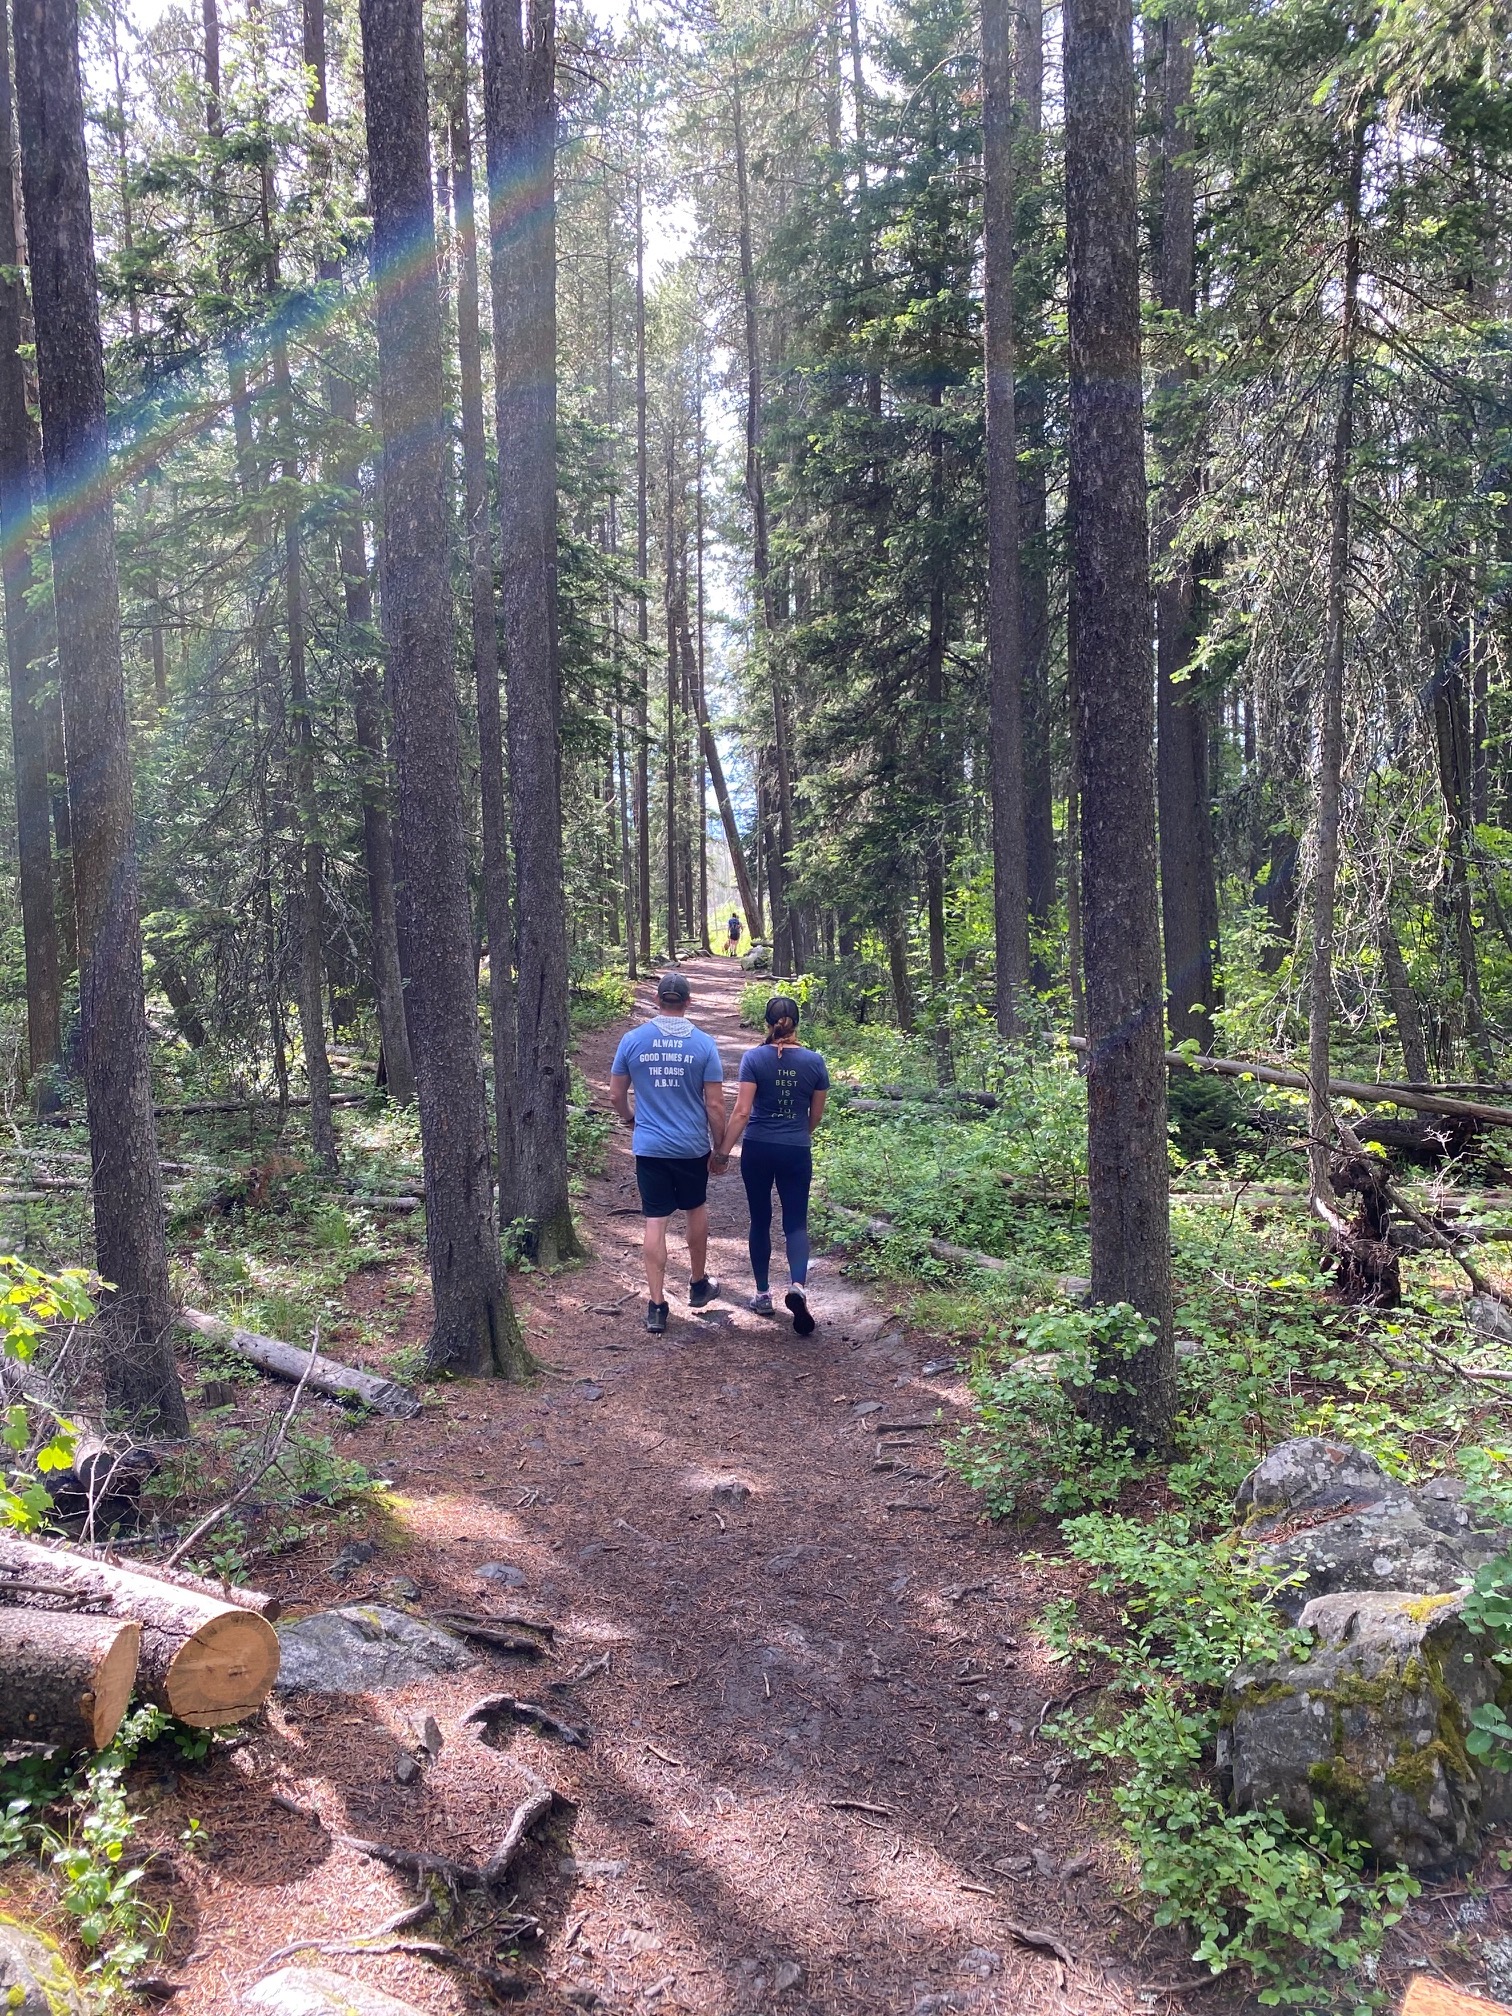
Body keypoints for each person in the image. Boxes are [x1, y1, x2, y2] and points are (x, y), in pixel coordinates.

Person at [609, 972, 727, 1333]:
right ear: (688, 1002)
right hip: (691, 1146)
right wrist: (720, 1148)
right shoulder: (703, 1044)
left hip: (650, 1146)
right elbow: (716, 1105)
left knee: (655, 1219)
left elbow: (616, 1095)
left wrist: (631, 1121)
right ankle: (697, 1284)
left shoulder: (633, 1040)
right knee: (695, 1208)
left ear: (657, 1001)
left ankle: (657, 1306)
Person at [718, 994, 828, 1335]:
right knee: (795, 1223)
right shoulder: (815, 1061)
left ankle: (763, 1294)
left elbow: (741, 1111)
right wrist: (796, 1133)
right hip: (796, 1148)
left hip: (758, 1148)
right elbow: (816, 1115)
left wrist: (722, 1151)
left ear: (767, 1023)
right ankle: (797, 1286)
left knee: (760, 1219)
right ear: (797, 1022)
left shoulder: (753, 1059)